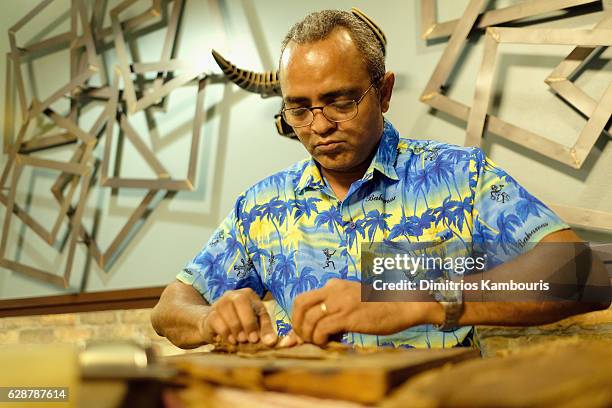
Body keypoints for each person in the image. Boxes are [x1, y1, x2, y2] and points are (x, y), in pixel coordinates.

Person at [151, 10, 610, 349]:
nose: (319, 125)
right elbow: (170, 307)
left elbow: (579, 271)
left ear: (384, 92)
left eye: (340, 101)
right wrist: (212, 318)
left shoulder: (459, 177)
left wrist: (424, 300)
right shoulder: (261, 205)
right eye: (298, 108)